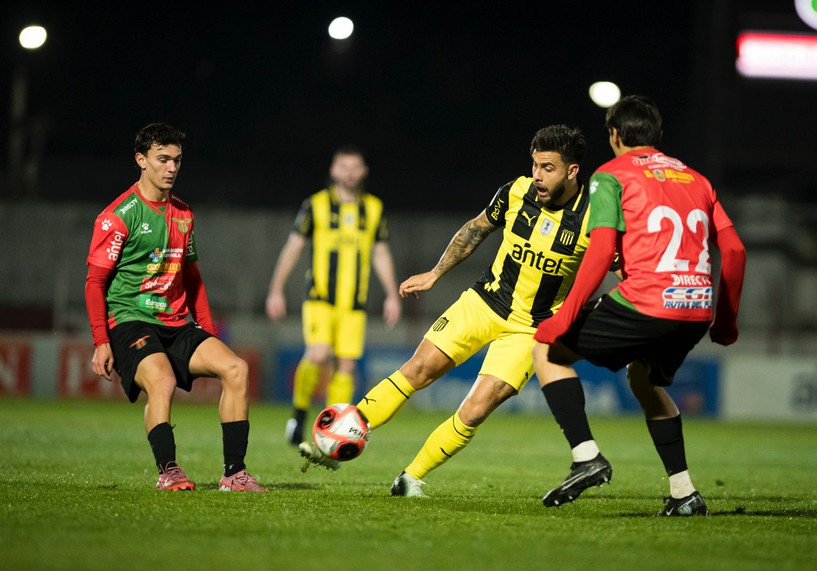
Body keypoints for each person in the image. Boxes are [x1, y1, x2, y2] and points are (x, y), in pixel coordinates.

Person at [300, 124, 618, 497]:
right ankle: (341, 436)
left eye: (547, 168)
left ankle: (410, 478)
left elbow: (623, 267)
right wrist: (435, 274)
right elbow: (475, 229)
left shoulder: (593, 216)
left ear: (572, 170)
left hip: (531, 329)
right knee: (418, 369)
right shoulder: (516, 192)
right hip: (483, 302)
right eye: (534, 165)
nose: (537, 175)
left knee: (476, 408)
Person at [532, 96, 746, 516]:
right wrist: (725, 321)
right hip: (695, 309)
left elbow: (600, 252)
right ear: (657, 134)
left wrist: (565, 316)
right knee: (644, 379)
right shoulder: (697, 180)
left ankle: (585, 457)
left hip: (646, 303)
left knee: (546, 350)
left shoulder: (611, 175)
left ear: (615, 134)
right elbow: (735, 251)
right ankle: (684, 494)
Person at [86, 122, 267, 493]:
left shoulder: (183, 214)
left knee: (236, 368)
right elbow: (95, 282)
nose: (171, 168)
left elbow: (192, 278)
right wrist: (101, 341)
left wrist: (209, 334)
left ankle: (234, 474)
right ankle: (168, 471)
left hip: (176, 323)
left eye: (177, 160)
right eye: (163, 159)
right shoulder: (118, 216)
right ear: (141, 160)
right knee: (162, 381)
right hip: (131, 322)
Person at [266, 146, 401, 446]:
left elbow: (380, 252)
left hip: (354, 302)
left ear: (363, 171)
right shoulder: (316, 205)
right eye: (344, 167)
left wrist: (392, 294)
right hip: (320, 297)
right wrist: (276, 289)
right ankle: (299, 415)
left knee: (347, 366)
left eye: (355, 167)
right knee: (317, 354)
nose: (349, 173)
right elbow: (293, 247)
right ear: (333, 170)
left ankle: (330, 426)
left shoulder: (373, 209)